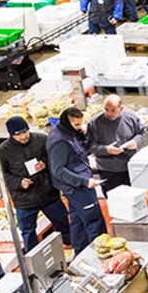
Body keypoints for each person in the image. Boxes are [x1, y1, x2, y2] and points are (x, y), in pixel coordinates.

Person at [0, 117, 71, 251]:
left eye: (25, 132)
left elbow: (57, 157)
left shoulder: (42, 139)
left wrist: (45, 163)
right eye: (18, 134)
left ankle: (71, 246)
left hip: (48, 194)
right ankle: (33, 256)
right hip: (24, 200)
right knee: (28, 232)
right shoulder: (3, 151)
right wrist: (18, 182)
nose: (23, 136)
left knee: (63, 223)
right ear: (11, 134)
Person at [47, 108, 107, 254]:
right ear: (67, 123)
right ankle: (101, 253)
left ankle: (80, 253)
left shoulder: (68, 133)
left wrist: (82, 134)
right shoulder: (60, 142)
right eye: (76, 125)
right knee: (94, 221)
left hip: (75, 186)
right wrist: (84, 181)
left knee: (78, 222)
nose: (80, 127)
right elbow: (58, 170)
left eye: (81, 123)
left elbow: (79, 152)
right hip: (77, 187)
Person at [86, 95, 146, 192]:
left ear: (121, 108)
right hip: (108, 170)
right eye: (106, 109)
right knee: (113, 199)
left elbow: (142, 133)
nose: (109, 113)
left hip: (130, 167)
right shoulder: (95, 123)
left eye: (113, 110)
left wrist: (135, 141)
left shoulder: (131, 118)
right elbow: (89, 145)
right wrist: (106, 150)